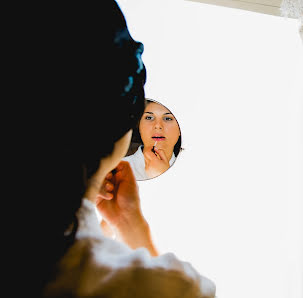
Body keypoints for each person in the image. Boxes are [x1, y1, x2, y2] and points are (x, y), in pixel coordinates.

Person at [20, 1, 216, 297]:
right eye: (146, 116)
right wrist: (134, 230)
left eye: (165, 121)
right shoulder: (162, 286)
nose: (157, 128)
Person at [123, 99, 182, 180]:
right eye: (149, 117)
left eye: (167, 118)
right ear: (139, 125)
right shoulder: (115, 170)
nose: (158, 125)